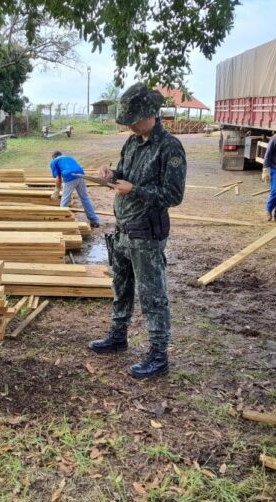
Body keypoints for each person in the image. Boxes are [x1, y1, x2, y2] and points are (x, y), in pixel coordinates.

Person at [89, 82, 186, 379]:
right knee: (122, 287)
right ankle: (118, 336)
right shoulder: (131, 142)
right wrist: (111, 176)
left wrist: (136, 190)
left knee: (152, 295)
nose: (129, 124)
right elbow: (124, 175)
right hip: (123, 231)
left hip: (146, 234)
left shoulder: (169, 147)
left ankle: (158, 355)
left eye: (133, 119)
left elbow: (173, 195)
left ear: (150, 114)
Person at [50, 151, 100, 228]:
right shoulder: (69, 158)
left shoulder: (54, 161)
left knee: (65, 199)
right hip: (81, 175)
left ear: (53, 157)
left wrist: (57, 190)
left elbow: (58, 178)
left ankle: (62, 220)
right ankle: (94, 220)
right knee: (85, 198)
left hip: (69, 176)